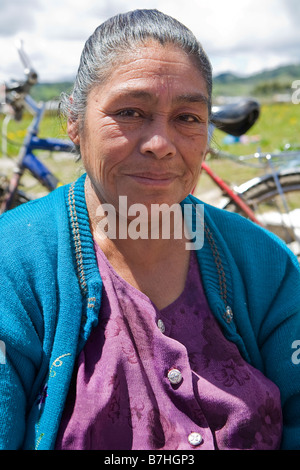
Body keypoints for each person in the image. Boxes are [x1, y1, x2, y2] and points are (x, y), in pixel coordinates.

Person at [0, 9, 299, 451]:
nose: (160, 144)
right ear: (75, 123)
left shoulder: (264, 266)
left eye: (188, 118)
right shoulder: (15, 262)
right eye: (130, 112)